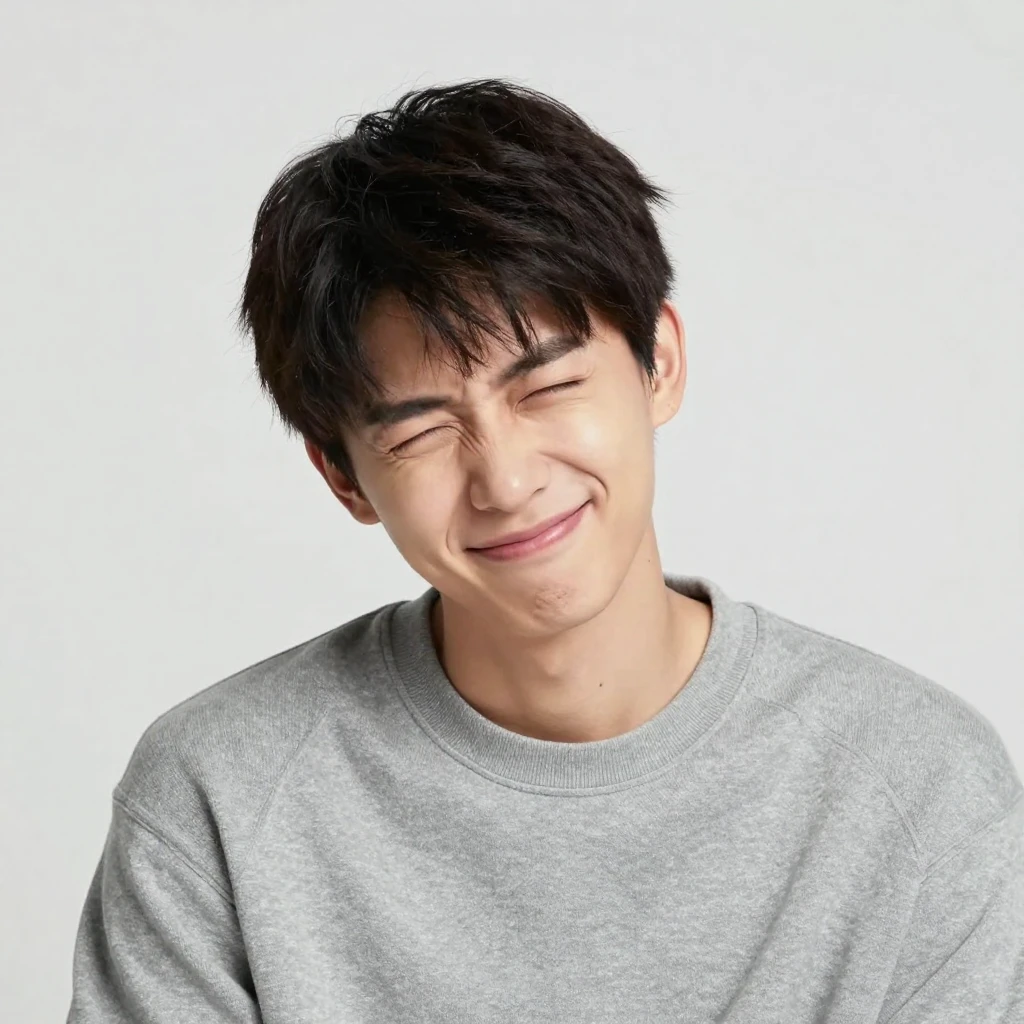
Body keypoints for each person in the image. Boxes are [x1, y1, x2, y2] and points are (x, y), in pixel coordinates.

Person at [67, 78, 1023, 1023]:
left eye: (549, 387)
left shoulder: (918, 785)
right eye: (421, 431)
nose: (506, 479)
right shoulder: (220, 798)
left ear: (659, 362)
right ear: (344, 477)